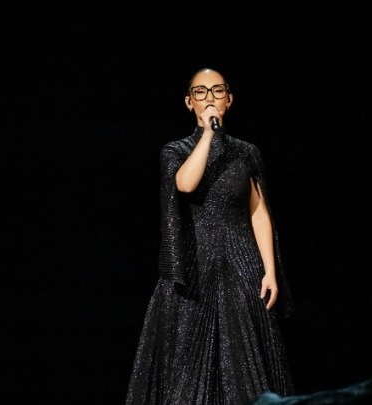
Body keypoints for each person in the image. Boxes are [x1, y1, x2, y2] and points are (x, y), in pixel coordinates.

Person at [124, 68, 294, 405]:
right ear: (189, 102)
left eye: (217, 91)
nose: (210, 98)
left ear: (229, 99)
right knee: (186, 364)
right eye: (200, 92)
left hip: (241, 265)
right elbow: (185, 184)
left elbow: (258, 212)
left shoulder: (246, 152)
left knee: (244, 364)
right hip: (194, 270)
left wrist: (269, 270)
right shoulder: (175, 150)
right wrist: (206, 136)